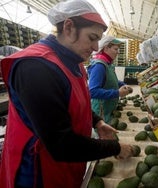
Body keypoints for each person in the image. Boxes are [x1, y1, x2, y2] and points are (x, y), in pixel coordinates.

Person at [0, 0, 134, 187]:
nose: (96, 47)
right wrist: (115, 147)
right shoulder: (36, 67)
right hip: (38, 172)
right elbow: (60, 144)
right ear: (69, 27)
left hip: (67, 165)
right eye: (92, 37)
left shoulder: (73, 61)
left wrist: (97, 121)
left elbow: (77, 101)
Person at [87, 36, 133, 123]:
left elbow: (108, 80)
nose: (118, 52)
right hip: (101, 112)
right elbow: (92, 91)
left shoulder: (108, 64)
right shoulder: (99, 66)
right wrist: (117, 93)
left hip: (108, 109)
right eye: (115, 49)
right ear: (106, 48)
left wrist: (122, 84)